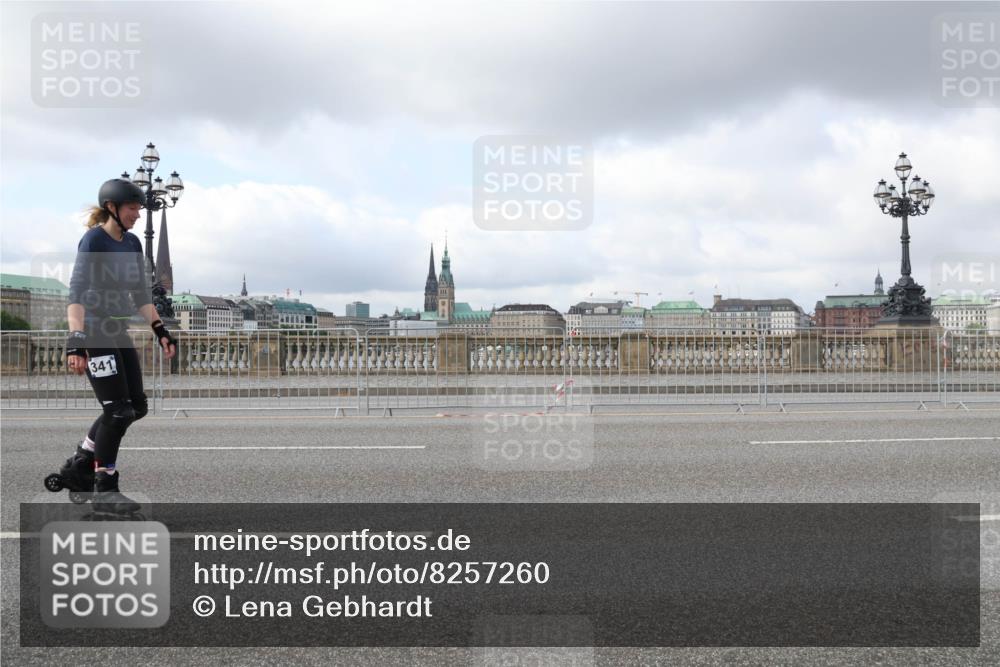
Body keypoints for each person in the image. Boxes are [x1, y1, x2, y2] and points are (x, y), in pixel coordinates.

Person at [56, 178, 177, 513]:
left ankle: (82, 461)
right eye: (132, 208)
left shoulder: (133, 244)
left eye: (140, 208)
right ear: (112, 208)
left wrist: (160, 329)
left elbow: (140, 294)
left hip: (117, 331)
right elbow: (77, 292)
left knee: (136, 407)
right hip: (94, 333)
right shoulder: (94, 239)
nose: (138, 214)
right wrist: (75, 340)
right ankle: (104, 489)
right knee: (117, 410)